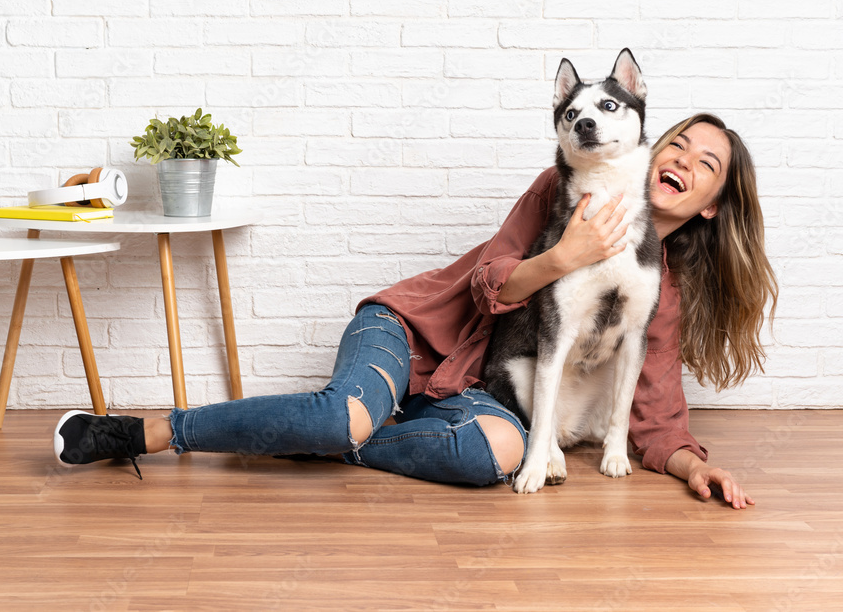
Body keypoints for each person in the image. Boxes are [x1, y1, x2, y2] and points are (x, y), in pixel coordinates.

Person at [53, 113, 777, 510]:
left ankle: (346, 431)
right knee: (343, 413)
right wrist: (566, 254)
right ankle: (139, 431)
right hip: (412, 334)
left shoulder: (660, 289)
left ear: (709, 203)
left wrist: (692, 468)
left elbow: (654, 412)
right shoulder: (564, 191)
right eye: (677, 140)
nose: (682, 155)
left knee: (494, 455)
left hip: (466, 399)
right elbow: (489, 282)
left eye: (704, 161)